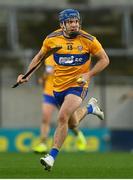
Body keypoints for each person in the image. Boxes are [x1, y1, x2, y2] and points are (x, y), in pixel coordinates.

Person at [16, 9, 109, 171]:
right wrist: (26, 74)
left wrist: (89, 74)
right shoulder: (52, 39)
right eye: (70, 22)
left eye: (76, 21)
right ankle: (90, 108)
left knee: (62, 116)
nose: (74, 25)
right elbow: (39, 57)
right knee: (72, 123)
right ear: (62, 24)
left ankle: (51, 156)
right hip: (58, 87)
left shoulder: (89, 40)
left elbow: (104, 60)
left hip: (78, 85)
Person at [33, 55, 88, 153]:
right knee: (45, 118)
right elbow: (48, 72)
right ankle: (42, 144)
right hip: (49, 92)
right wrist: (43, 79)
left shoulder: (67, 55)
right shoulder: (49, 57)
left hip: (63, 92)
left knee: (70, 122)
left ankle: (78, 135)